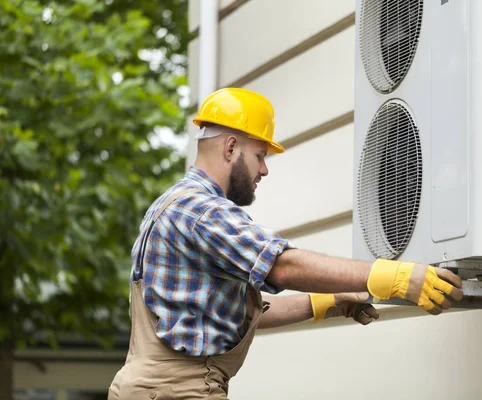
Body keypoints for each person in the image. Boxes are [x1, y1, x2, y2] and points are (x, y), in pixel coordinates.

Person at [107, 87, 463, 399]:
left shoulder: (173, 204)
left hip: (156, 388)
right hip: (177, 391)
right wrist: (394, 276)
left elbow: (237, 317)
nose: (264, 170)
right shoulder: (201, 210)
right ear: (231, 147)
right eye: (260, 155)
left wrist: (331, 302)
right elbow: (283, 265)